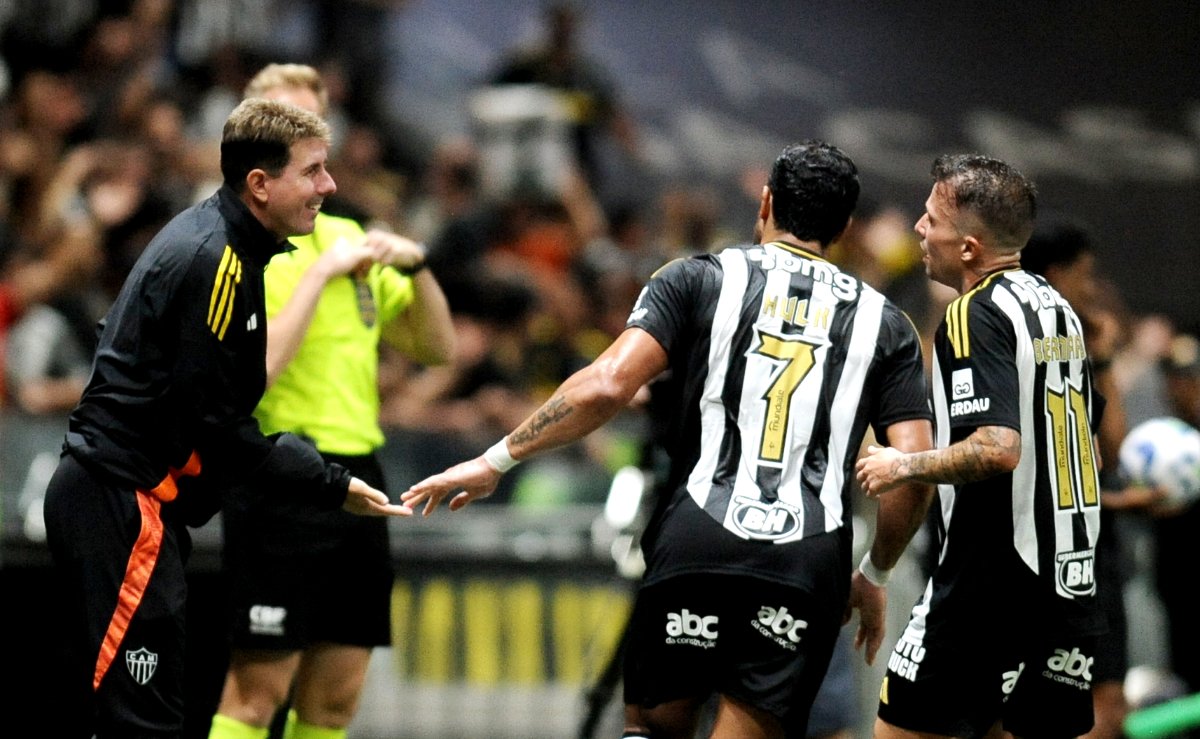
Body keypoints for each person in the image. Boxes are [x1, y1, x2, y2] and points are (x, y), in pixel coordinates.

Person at [403, 140, 936, 738]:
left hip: (696, 536)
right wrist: (876, 573)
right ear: (842, 227)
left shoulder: (696, 279)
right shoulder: (887, 324)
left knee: (654, 729)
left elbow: (606, 385)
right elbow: (911, 472)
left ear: (766, 204)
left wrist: (496, 458)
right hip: (805, 556)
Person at [41, 97, 412, 739]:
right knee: (141, 725)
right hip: (124, 505)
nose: (329, 186)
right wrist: (330, 484)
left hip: (129, 504)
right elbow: (216, 422)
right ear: (260, 185)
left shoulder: (229, 247)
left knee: (134, 717)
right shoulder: (215, 259)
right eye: (314, 171)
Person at [207, 63, 456, 739]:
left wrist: (416, 263)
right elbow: (246, 376)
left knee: (336, 699)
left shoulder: (351, 237)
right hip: (278, 471)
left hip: (362, 476)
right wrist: (318, 272)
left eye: (312, 123)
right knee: (257, 692)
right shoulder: (234, 246)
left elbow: (438, 349)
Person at [856, 155, 1104, 738]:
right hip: (1068, 591)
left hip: (988, 593)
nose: (918, 228)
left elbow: (996, 447)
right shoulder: (1058, 310)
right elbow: (1086, 449)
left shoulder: (975, 314)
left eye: (930, 217)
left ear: (968, 247)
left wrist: (901, 464)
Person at [1021, 217, 1168, 739]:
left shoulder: (1080, 339)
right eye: (1085, 275)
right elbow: (1035, 473)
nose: (1093, 288)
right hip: (1041, 554)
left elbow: (1111, 447)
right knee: (1061, 708)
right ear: (1058, 275)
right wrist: (1126, 503)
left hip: (1091, 553)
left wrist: (1101, 354)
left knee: (1106, 703)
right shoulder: (1015, 338)